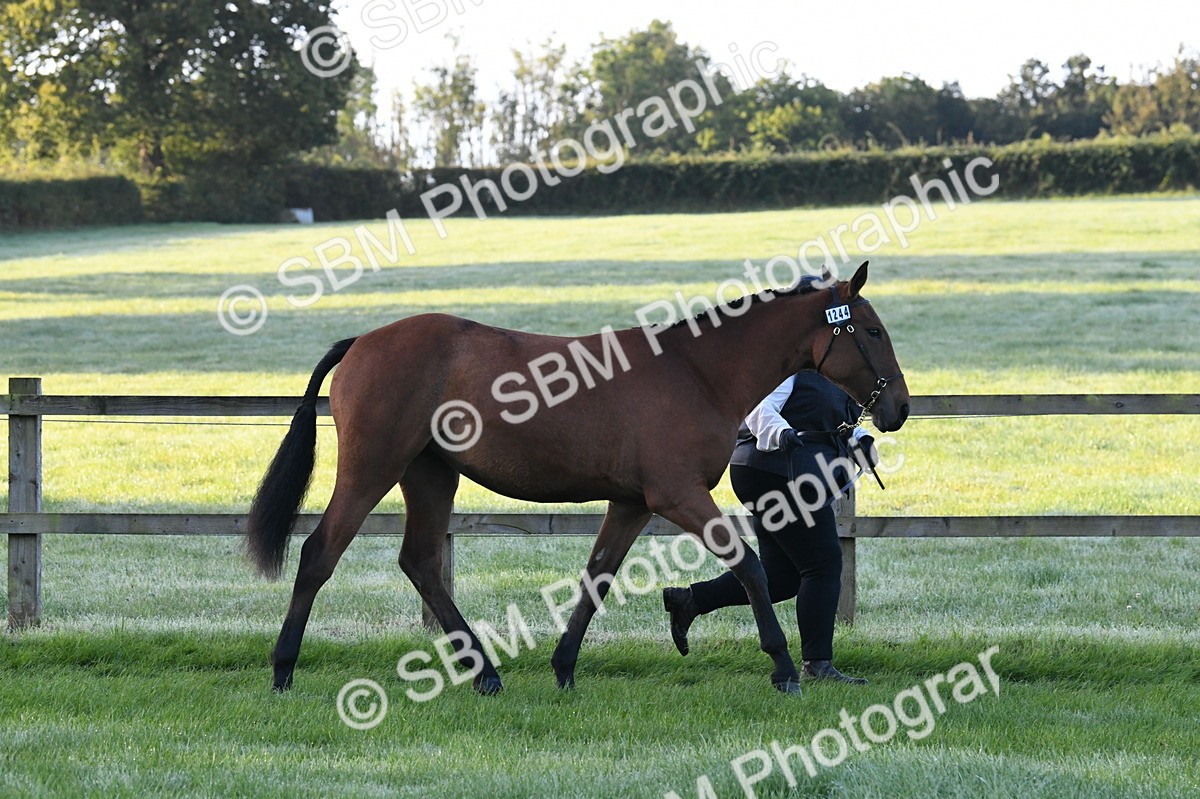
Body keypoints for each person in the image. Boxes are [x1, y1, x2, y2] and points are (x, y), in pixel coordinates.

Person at [662, 360, 880, 684]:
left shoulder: (837, 373)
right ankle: (817, 665)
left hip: (781, 473)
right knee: (823, 564)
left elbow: (831, 424)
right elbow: (758, 410)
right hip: (774, 471)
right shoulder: (791, 365)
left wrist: (859, 439)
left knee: (780, 577)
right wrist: (781, 433)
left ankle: (690, 600)